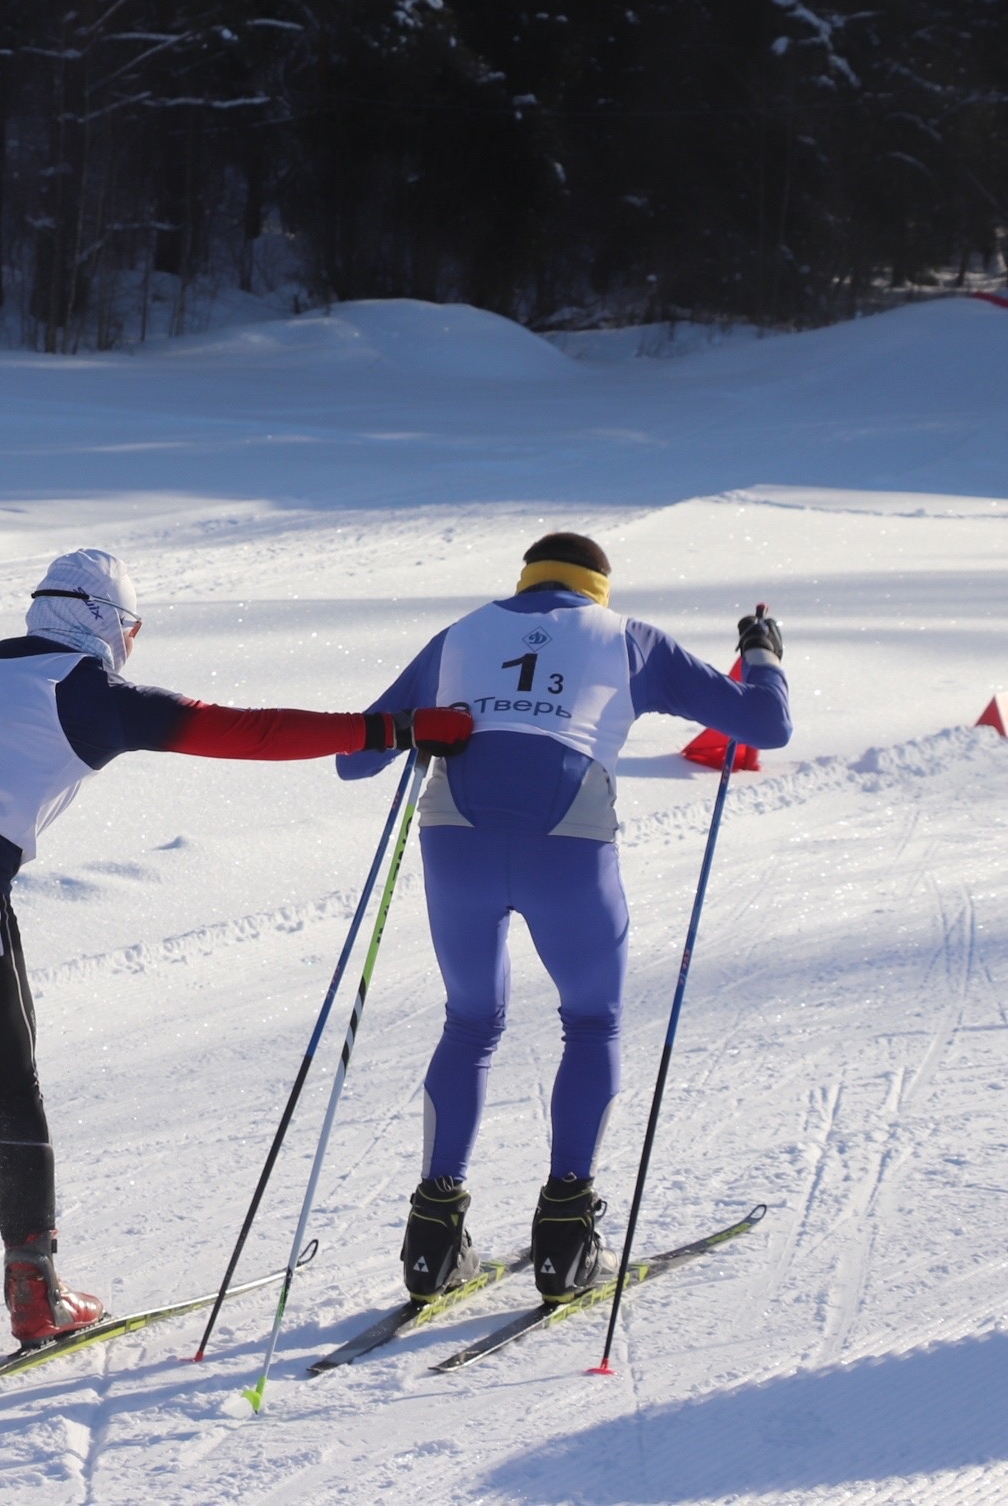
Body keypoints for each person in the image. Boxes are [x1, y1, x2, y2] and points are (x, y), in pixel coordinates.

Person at [0, 548, 474, 1345]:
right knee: (6, 1097)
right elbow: (245, 730)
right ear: (111, 625)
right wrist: (394, 728)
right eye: (133, 630)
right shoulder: (86, 694)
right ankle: (35, 1293)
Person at [337, 532, 789, 1302]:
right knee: (591, 1020)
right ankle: (565, 1239)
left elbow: (355, 758)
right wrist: (762, 653)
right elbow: (766, 726)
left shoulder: (461, 634)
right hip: (568, 845)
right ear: (597, 587)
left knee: (470, 1022)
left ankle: (433, 1241)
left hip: (457, 841)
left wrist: (431, 724)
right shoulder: (629, 639)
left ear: (527, 580)